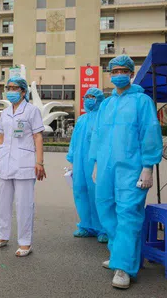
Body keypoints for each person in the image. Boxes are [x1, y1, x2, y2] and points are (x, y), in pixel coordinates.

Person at [90, 55, 162, 289]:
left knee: (129, 214)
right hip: (107, 168)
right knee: (105, 208)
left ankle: (124, 268)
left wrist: (148, 167)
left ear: (131, 74)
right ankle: (120, 253)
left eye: (123, 70)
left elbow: (150, 134)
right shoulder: (107, 105)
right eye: (114, 70)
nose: (118, 74)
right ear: (109, 74)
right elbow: (98, 136)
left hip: (132, 169)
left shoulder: (142, 101)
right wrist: (97, 164)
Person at [0, 77, 46, 257]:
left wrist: (40, 161)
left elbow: (38, 137)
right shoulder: (5, 113)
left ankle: (25, 242)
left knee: (24, 204)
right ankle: (2, 236)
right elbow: (1, 139)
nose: (11, 91)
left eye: (14, 88)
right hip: (4, 162)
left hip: (24, 162)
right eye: (9, 88)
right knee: (3, 202)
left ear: (23, 91)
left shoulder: (32, 111)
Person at [66, 88, 107, 242]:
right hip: (79, 162)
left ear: (100, 99)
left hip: (96, 162)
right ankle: (86, 225)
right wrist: (71, 159)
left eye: (93, 97)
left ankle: (103, 228)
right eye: (87, 96)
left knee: (98, 194)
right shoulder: (82, 120)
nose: (89, 99)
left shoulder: (104, 118)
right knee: (80, 191)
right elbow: (74, 141)